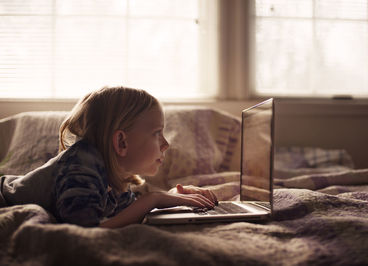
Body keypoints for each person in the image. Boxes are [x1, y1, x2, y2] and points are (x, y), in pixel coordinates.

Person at [0, 86, 217, 228]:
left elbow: (125, 214)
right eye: (157, 133)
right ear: (121, 142)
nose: (166, 144)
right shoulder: (82, 165)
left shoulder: (115, 179)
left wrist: (171, 198)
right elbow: (87, 229)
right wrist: (154, 199)